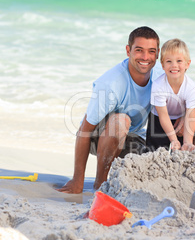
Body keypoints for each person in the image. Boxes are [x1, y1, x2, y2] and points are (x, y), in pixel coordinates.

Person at [57, 26, 163, 194]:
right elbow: (84, 131)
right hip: (98, 137)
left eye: (151, 51)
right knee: (121, 121)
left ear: (157, 54)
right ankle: (100, 185)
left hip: (132, 137)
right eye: (139, 50)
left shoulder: (160, 76)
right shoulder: (110, 84)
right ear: (128, 51)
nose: (145, 57)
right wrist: (78, 180)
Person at [146, 38, 195, 152]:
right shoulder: (158, 85)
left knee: (182, 151)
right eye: (169, 61)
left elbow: (190, 117)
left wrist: (188, 142)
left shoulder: (191, 88)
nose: (174, 65)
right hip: (158, 120)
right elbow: (163, 116)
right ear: (162, 65)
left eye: (179, 61)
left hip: (180, 120)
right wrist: (173, 140)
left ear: (187, 64)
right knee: (155, 152)